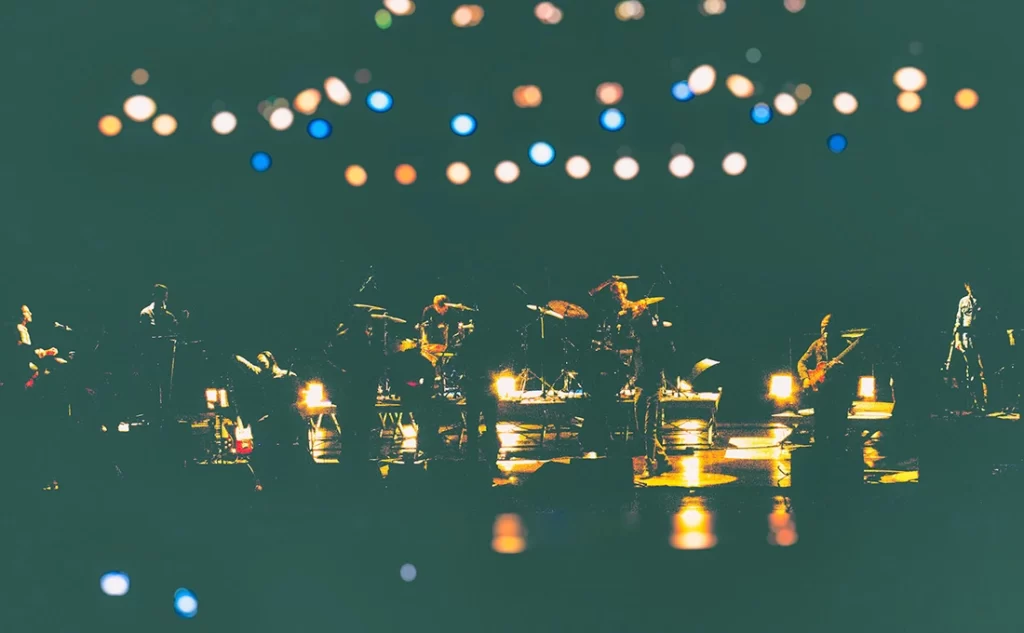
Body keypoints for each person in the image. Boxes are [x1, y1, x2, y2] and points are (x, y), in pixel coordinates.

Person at [609, 282, 670, 478]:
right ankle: (663, 460)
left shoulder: (652, 338)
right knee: (642, 429)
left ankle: (650, 465)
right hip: (641, 383)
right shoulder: (640, 339)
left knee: (649, 428)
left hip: (651, 384)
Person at [797, 314, 856, 451]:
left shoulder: (845, 346)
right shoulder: (817, 344)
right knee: (820, 428)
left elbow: (854, 371)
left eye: (828, 328)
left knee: (839, 430)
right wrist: (805, 378)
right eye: (823, 328)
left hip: (839, 393)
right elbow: (802, 362)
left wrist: (842, 367)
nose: (825, 331)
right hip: (821, 393)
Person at [950, 283, 987, 413]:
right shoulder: (963, 301)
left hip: (981, 341)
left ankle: (985, 403)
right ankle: (975, 402)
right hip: (967, 341)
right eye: (969, 286)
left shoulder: (984, 301)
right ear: (966, 286)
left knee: (983, 372)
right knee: (970, 372)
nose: (972, 288)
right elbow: (958, 322)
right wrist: (957, 340)